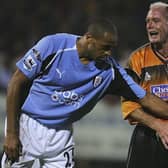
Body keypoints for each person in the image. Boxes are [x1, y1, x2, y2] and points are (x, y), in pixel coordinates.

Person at [1, 18, 168, 168]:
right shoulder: (53, 45)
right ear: (89, 38)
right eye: (105, 47)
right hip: (27, 125)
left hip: (62, 134)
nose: (109, 53)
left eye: (111, 48)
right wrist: (11, 134)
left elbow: (145, 98)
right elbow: (15, 83)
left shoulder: (109, 71)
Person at [121, 2, 168, 168]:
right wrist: (158, 125)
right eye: (147, 21)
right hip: (146, 135)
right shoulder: (137, 59)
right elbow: (128, 106)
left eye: (156, 20)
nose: (149, 25)